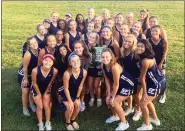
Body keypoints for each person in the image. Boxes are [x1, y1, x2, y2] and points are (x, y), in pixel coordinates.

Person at [101, 48, 135, 131]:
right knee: (109, 100)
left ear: (112, 57)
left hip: (128, 85)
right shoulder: (103, 65)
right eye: (103, 57)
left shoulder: (114, 67)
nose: (105, 59)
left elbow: (116, 84)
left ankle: (124, 123)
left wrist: (112, 97)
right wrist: (109, 95)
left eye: (107, 57)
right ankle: (115, 116)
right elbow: (107, 81)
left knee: (114, 102)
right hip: (119, 85)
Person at [136, 39, 166, 130]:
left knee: (142, 103)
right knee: (147, 102)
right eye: (138, 46)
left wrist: (144, 92)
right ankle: (155, 119)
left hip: (157, 84)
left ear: (147, 48)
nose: (139, 48)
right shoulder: (146, 56)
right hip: (156, 81)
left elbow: (142, 78)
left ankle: (147, 125)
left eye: (142, 46)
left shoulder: (145, 60)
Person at [57, 54, 87, 130]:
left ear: (80, 61)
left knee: (77, 106)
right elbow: (66, 88)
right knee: (70, 108)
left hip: (75, 92)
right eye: (73, 61)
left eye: (77, 60)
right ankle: (67, 122)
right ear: (70, 63)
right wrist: (70, 101)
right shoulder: (67, 74)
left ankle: (73, 120)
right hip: (65, 92)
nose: (75, 62)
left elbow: (81, 86)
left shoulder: (84, 72)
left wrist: (77, 98)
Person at [31, 54, 58, 130]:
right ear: (42, 61)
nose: (47, 62)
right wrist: (39, 94)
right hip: (36, 89)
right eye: (46, 60)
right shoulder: (35, 70)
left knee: (47, 106)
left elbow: (50, 83)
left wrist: (46, 93)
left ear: (52, 63)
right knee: (40, 107)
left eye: (50, 61)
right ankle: (40, 123)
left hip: (47, 88)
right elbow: (34, 83)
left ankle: (47, 122)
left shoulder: (55, 71)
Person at [120, 34, 142, 121]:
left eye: (130, 42)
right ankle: (130, 108)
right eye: (126, 41)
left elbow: (142, 64)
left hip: (136, 76)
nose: (127, 43)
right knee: (129, 93)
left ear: (133, 43)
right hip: (127, 75)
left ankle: (138, 110)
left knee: (137, 95)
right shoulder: (122, 50)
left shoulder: (136, 52)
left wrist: (141, 77)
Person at [18, 36, 39, 116]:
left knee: (31, 90)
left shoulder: (39, 51)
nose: (34, 44)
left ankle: (31, 104)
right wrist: (26, 79)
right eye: (32, 44)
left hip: (32, 74)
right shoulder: (28, 53)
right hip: (25, 74)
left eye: (35, 42)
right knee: (25, 91)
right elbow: (25, 68)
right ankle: (25, 108)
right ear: (29, 45)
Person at [148, 25, 168, 103]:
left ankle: (163, 94)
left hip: (161, 61)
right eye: (153, 31)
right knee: (152, 76)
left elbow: (165, 52)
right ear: (150, 31)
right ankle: (153, 91)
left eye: (156, 31)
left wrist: (160, 63)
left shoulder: (164, 41)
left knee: (162, 78)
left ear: (160, 32)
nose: (154, 32)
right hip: (152, 62)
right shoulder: (148, 40)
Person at [70, 40, 92, 111]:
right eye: (75, 48)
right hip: (74, 72)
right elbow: (70, 67)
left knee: (83, 85)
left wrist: (83, 77)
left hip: (84, 72)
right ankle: (73, 98)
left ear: (83, 48)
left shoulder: (88, 55)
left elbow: (86, 68)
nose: (78, 49)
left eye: (79, 47)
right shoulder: (71, 56)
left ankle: (82, 100)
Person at [87, 31, 103, 107]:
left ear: (96, 39)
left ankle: (99, 98)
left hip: (98, 69)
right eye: (90, 37)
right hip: (89, 68)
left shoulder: (99, 48)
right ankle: (92, 98)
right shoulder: (85, 46)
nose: (91, 39)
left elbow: (101, 60)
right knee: (90, 84)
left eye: (93, 38)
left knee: (96, 85)